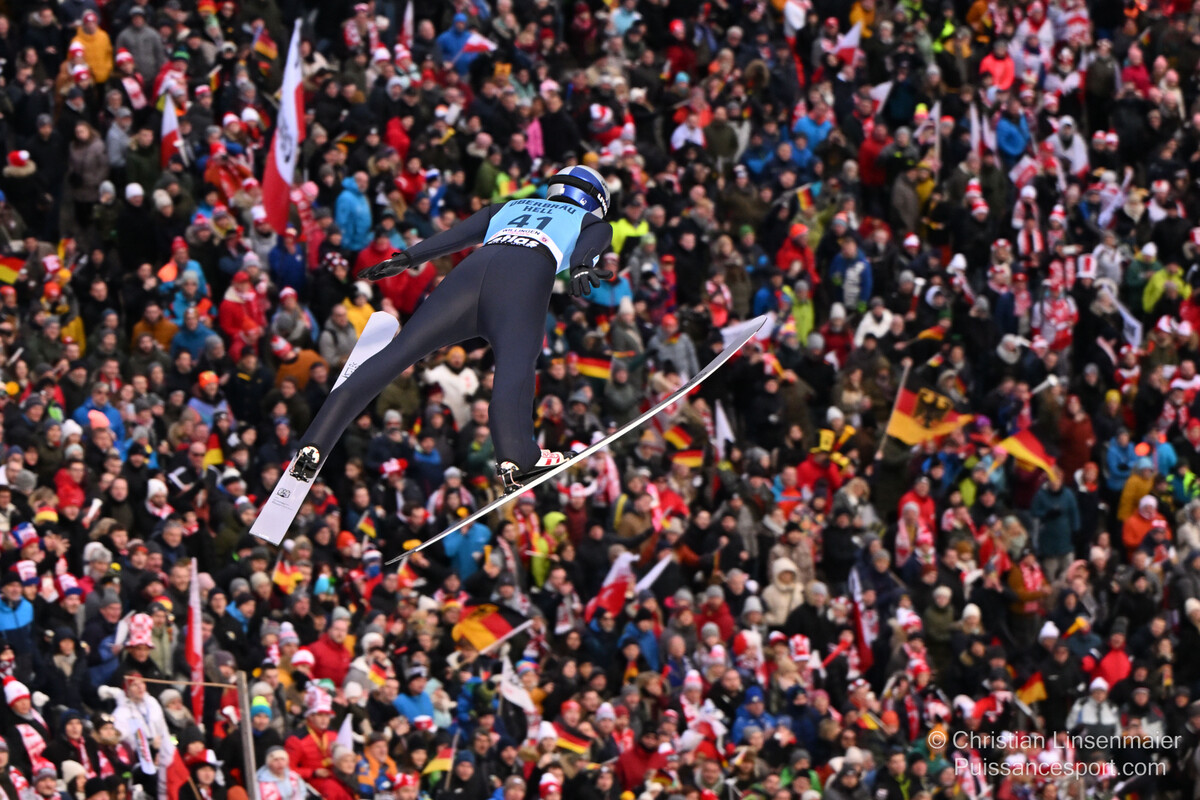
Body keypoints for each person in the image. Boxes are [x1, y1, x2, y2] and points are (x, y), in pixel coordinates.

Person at [288, 166, 614, 492]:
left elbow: (455, 237)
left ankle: (315, 441)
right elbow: (592, 243)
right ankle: (516, 457)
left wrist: (407, 258)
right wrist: (582, 266)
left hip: (468, 277)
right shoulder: (591, 221)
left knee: (398, 353)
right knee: (515, 370)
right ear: (595, 199)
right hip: (521, 281)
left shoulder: (509, 206)